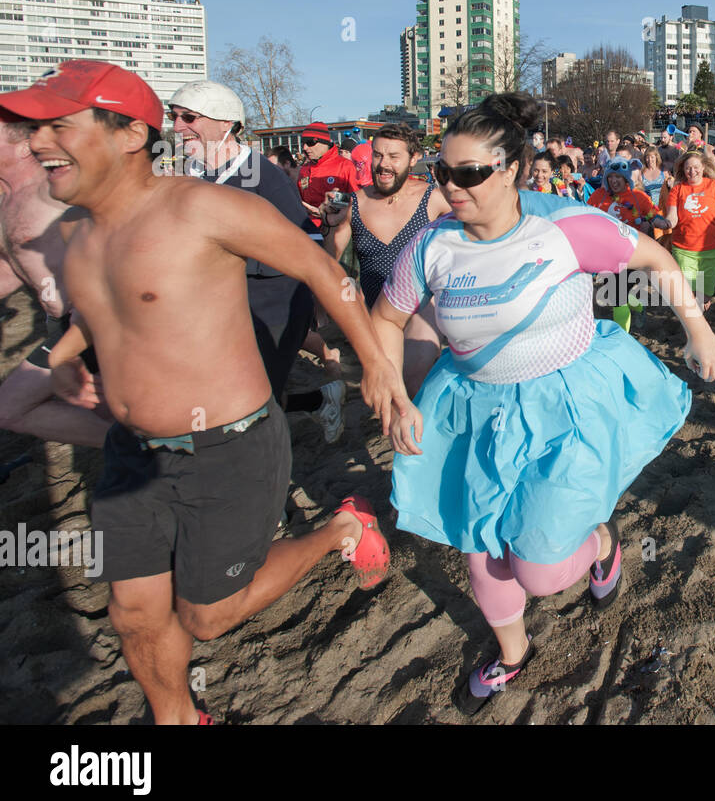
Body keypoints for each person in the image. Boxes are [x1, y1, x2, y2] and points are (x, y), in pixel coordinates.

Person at [2, 60, 412, 724]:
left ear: (129, 135)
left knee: (208, 614)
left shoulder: (202, 206)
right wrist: (67, 360)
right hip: (132, 452)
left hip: (230, 446)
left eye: (59, 126)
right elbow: (97, 314)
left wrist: (374, 363)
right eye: (33, 129)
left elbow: (319, 268)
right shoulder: (76, 235)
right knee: (133, 614)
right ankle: (179, 718)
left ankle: (340, 526)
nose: (38, 142)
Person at [371, 94, 715, 715]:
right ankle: (512, 656)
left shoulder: (564, 227)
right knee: (480, 546)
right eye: (441, 173)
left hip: (563, 405)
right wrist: (394, 391)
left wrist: (698, 328)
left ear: (508, 169)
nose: (450, 186)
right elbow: (386, 317)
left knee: (538, 570)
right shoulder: (430, 247)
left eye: (468, 173)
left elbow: (655, 259)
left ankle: (599, 544)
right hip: (475, 412)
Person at [168, 81, 345, 443]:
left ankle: (266, 489)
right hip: (215, 306)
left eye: (189, 117)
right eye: (173, 117)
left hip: (271, 305)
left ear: (225, 123)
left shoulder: (262, 174)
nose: (176, 126)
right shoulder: (189, 173)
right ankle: (317, 401)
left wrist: (318, 300)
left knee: (250, 402)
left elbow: (306, 241)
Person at [0, 111, 112, 445]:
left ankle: (143, 451)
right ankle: (142, 451)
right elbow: (13, 266)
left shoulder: (53, 190)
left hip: (90, 323)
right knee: (110, 410)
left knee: (9, 408)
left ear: (22, 147)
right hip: (63, 324)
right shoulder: (9, 196)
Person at [321, 124, 449, 397]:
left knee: (412, 380)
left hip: (422, 306)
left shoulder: (433, 199)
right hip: (378, 311)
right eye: (378, 155)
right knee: (386, 392)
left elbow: (476, 233)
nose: (383, 164)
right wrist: (332, 225)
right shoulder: (353, 202)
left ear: (413, 159)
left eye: (393, 157)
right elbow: (331, 259)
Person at [588, 159, 668, 331]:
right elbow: (586, 216)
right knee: (616, 293)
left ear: (626, 179)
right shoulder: (599, 196)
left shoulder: (639, 197)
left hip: (633, 254)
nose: (614, 181)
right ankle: (638, 307)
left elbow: (654, 215)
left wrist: (661, 222)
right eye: (611, 177)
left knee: (617, 296)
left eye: (619, 177)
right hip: (607, 255)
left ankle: (620, 337)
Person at [663, 150, 715, 312]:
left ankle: (698, 319)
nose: (692, 172)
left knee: (704, 296)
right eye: (688, 168)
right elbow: (672, 217)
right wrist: (664, 223)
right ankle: (694, 331)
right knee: (689, 295)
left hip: (711, 249)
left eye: (696, 167)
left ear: (703, 167)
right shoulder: (677, 190)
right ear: (683, 170)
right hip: (684, 249)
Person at [298, 122, 359, 232]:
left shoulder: (345, 166)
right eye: (303, 143)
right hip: (308, 230)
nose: (305, 147)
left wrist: (330, 206)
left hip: (336, 232)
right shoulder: (304, 169)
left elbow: (356, 200)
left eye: (309, 143)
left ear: (324, 143)